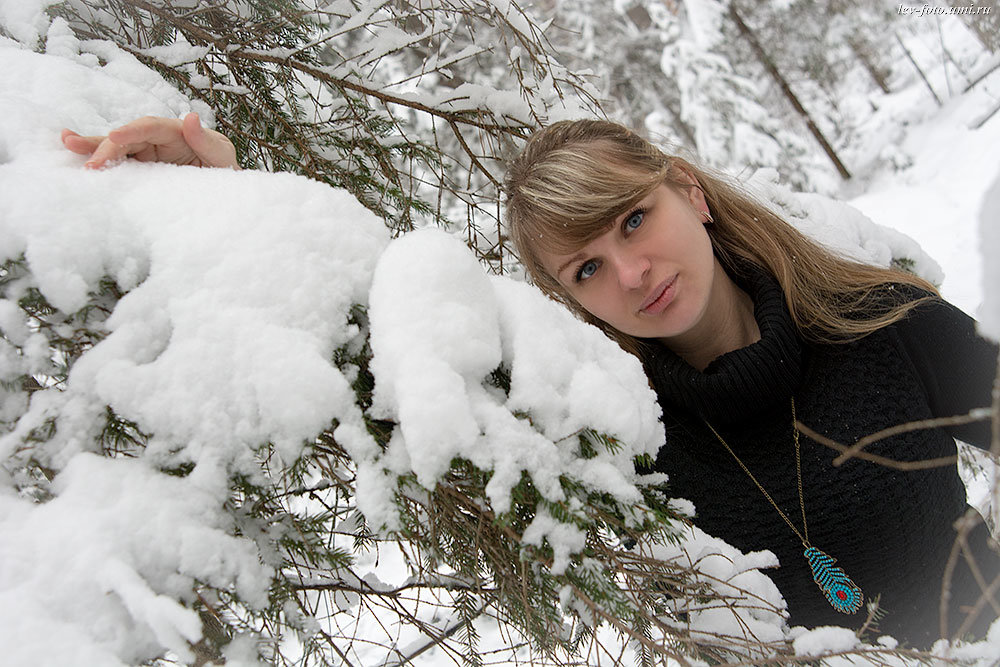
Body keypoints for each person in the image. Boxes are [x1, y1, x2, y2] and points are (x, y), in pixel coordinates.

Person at [64, 116, 998, 647]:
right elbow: (375, 342)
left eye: (633, 220)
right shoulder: (612, 440)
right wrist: (226, 197)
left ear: (691, 193)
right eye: (585, 268)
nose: (630, 274)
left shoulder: (882, 319)